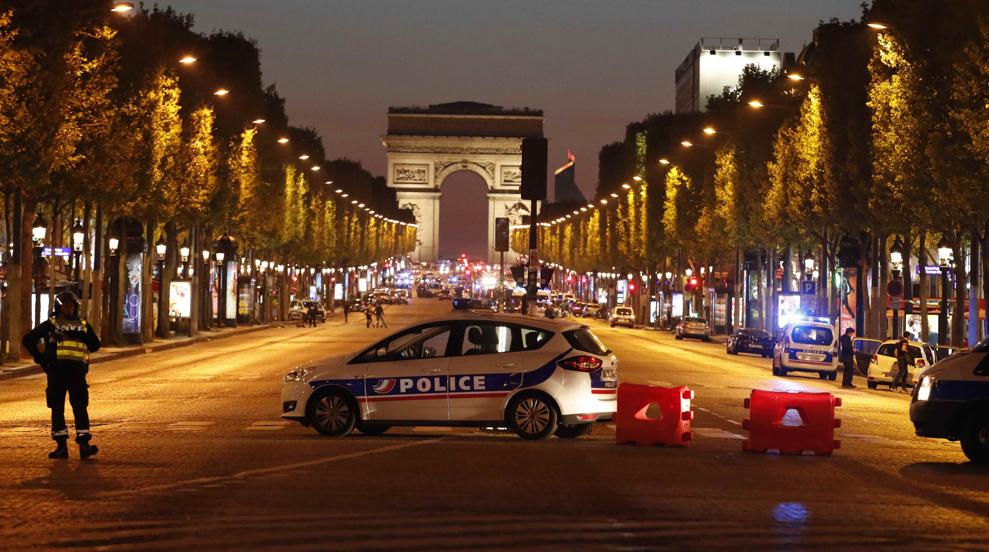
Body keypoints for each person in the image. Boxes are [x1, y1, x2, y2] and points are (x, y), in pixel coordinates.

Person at [22, 291, 101, 460]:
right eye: (66, 305)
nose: (69, 308)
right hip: (57, 373)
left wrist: (41, 356)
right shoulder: (52, 324)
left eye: (71, 305)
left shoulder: (81, 325)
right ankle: (61, 447)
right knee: (57, 409)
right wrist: (40, 357)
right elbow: (28, 339)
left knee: (80, 408)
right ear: (59, 307)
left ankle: (84, 445)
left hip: (76, 374)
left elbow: (95, 345)